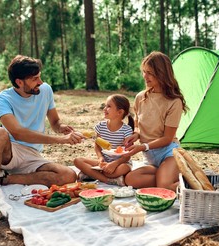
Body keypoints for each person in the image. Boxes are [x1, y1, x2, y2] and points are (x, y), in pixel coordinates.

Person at [0, 55, 84, 221]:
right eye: (35, 79)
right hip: (11, 151)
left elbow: (55, 121)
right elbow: (18, 133)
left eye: (40, 76)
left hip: (32, 155)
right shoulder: (2, 99)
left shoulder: (45, 90)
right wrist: (62, 140)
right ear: (19, 82)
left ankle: (6, 180)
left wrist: (60, 128)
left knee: (69, 175)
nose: (40, 82)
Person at [123, 51, 188, 191]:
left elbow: (167, 138)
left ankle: (184, 181)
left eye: (150, 73)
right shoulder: (140, 97)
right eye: (144, 72)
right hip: (150, 158)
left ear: (162, 73)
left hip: (168, 153)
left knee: (164, 186)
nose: (145, 76)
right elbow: (138, 127)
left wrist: (142, 147)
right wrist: (135, 136)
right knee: (130, 179)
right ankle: (171, 176)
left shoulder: (174, 101)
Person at [73, 94, 134, 186]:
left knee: (123, 168)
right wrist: (100, 158)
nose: (104, 109)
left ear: (120, 112)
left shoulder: (127, 130)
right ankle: (108, 180)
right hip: (104, 161)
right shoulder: (100, 126)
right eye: (105, 106)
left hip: (121, 162)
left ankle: (92, 174)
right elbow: (97, 145)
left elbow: (128, 154)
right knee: (77, 161)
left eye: (109, 106)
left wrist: (115, 164)